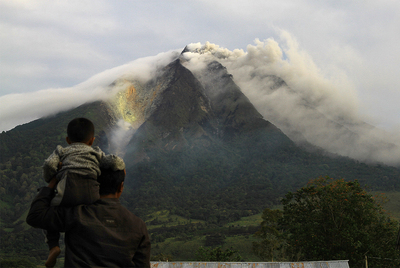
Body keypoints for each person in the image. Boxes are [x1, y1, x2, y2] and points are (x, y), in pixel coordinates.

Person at [41, 117, 125, 267]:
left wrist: (50, 178)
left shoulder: (61, 151)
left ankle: (53, 246)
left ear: (68, 139)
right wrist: (120, 167)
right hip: (91, 194)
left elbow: (49, 164)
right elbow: (115, 161)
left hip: (67, 190)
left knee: (48, 212)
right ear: (92, 140)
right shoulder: (96, 152)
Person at [26, 167, 151, 267]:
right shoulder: (138, 226)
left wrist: (52, 183)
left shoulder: (76, 214)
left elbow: (35, 216)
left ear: (95, 184)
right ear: (121, 186)